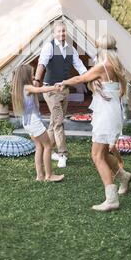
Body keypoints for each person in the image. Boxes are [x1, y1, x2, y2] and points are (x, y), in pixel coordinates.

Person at [57, 35, 131, 211]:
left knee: (97, 156)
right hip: (111, 111)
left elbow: (80, 79)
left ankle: (111, 199)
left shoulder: (102, 66)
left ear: (101, 50)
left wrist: (64, 82)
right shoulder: (115, 65)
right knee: (104, 154)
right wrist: (95, 83)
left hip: (106, 114)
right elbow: (100, 82)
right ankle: (124, 176)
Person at [33, 20, 87, 168]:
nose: (62, 33)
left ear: (66, 32)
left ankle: (48, 150)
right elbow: (41, 64)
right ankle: (62, 154)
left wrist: (92, 78)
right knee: (59, 122)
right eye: (59, 31)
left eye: (64, 31)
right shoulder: (49, 47)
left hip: (64, 90)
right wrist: (36, 81)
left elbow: (81, 68)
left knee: (54, 122)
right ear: (54, 33)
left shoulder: (71, 49)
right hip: (50, 90)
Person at [12, 64, 64, 182]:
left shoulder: (21, 88)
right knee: (48, 146)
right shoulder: (27, 87)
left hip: (27, 122)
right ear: (26, 76)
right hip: (34, 122)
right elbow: (40, 89)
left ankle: (40, 176)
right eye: (32, 74)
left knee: (39, 146)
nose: (34, 76)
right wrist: (54, 88)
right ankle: (49, 175)